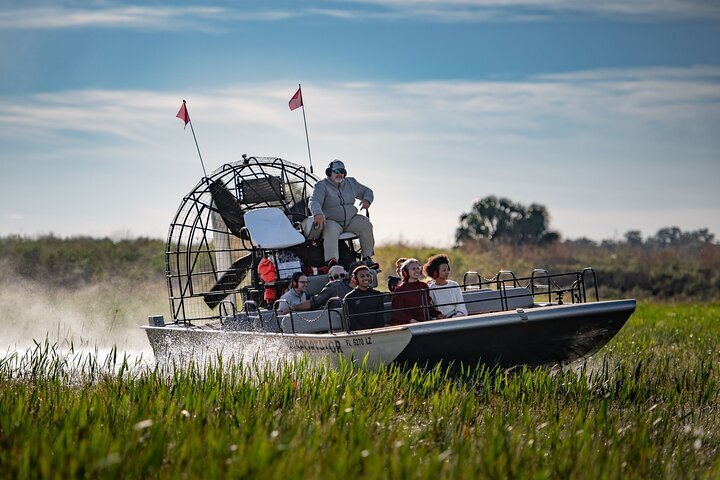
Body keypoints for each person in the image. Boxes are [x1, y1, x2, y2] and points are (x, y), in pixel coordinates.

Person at [308, 159, 376, 268]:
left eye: (342, 171)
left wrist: (367, 200)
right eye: (337, 171)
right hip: (332, 221)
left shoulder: (352, 183)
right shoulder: (321, 186)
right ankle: (331, 261)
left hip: (351, 219)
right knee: (331, 229)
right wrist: (318, 213)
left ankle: (367, 258)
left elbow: (367, 191)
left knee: (365, 223)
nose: (340, 174)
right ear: (329, 173)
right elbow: (314, 201)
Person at [390, 258, 444, 326]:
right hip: (406, 327)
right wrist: (413, 321)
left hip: (423, 324)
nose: (417, 271)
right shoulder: (399, 291)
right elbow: (398, 314)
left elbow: (427, 306)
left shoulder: (424, 286)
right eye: (413, 269)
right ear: (405, 272)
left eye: (418, 268)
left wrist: (437, 314)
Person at [423, 254, 467, 318]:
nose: (447, 272)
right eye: (444, 270)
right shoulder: (431, 289)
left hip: (456, 318)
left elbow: (460, 305)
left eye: (447, 270)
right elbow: (431, 309)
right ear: (435, 272)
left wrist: (457, 316)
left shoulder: (454, 285)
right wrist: (438, 316)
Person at [343, 265, 386, 330]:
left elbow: (380, 318)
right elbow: (351, 321)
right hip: (358, 334)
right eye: (362, 276)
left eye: (368, 276)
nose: (366, 278)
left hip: (377, 332)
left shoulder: (377, 295)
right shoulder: (349, 298)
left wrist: (377, 331)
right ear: (355, 280)